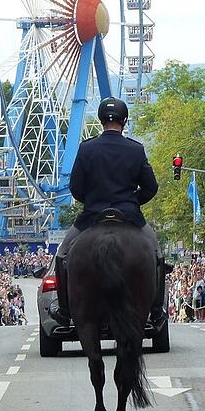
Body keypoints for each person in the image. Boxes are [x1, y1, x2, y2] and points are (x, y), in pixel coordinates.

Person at [50, 97, 163, 326]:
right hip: (129, 215)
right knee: (157, 255)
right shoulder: (136, 149)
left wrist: (92, 201)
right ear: (124, 120)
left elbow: (75, 188)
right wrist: (132, 201)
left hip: (92, 215)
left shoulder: (86, 148)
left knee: (62, 257)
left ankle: (64, 310)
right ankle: (156, 309)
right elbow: (151, 187)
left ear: (101, 120)